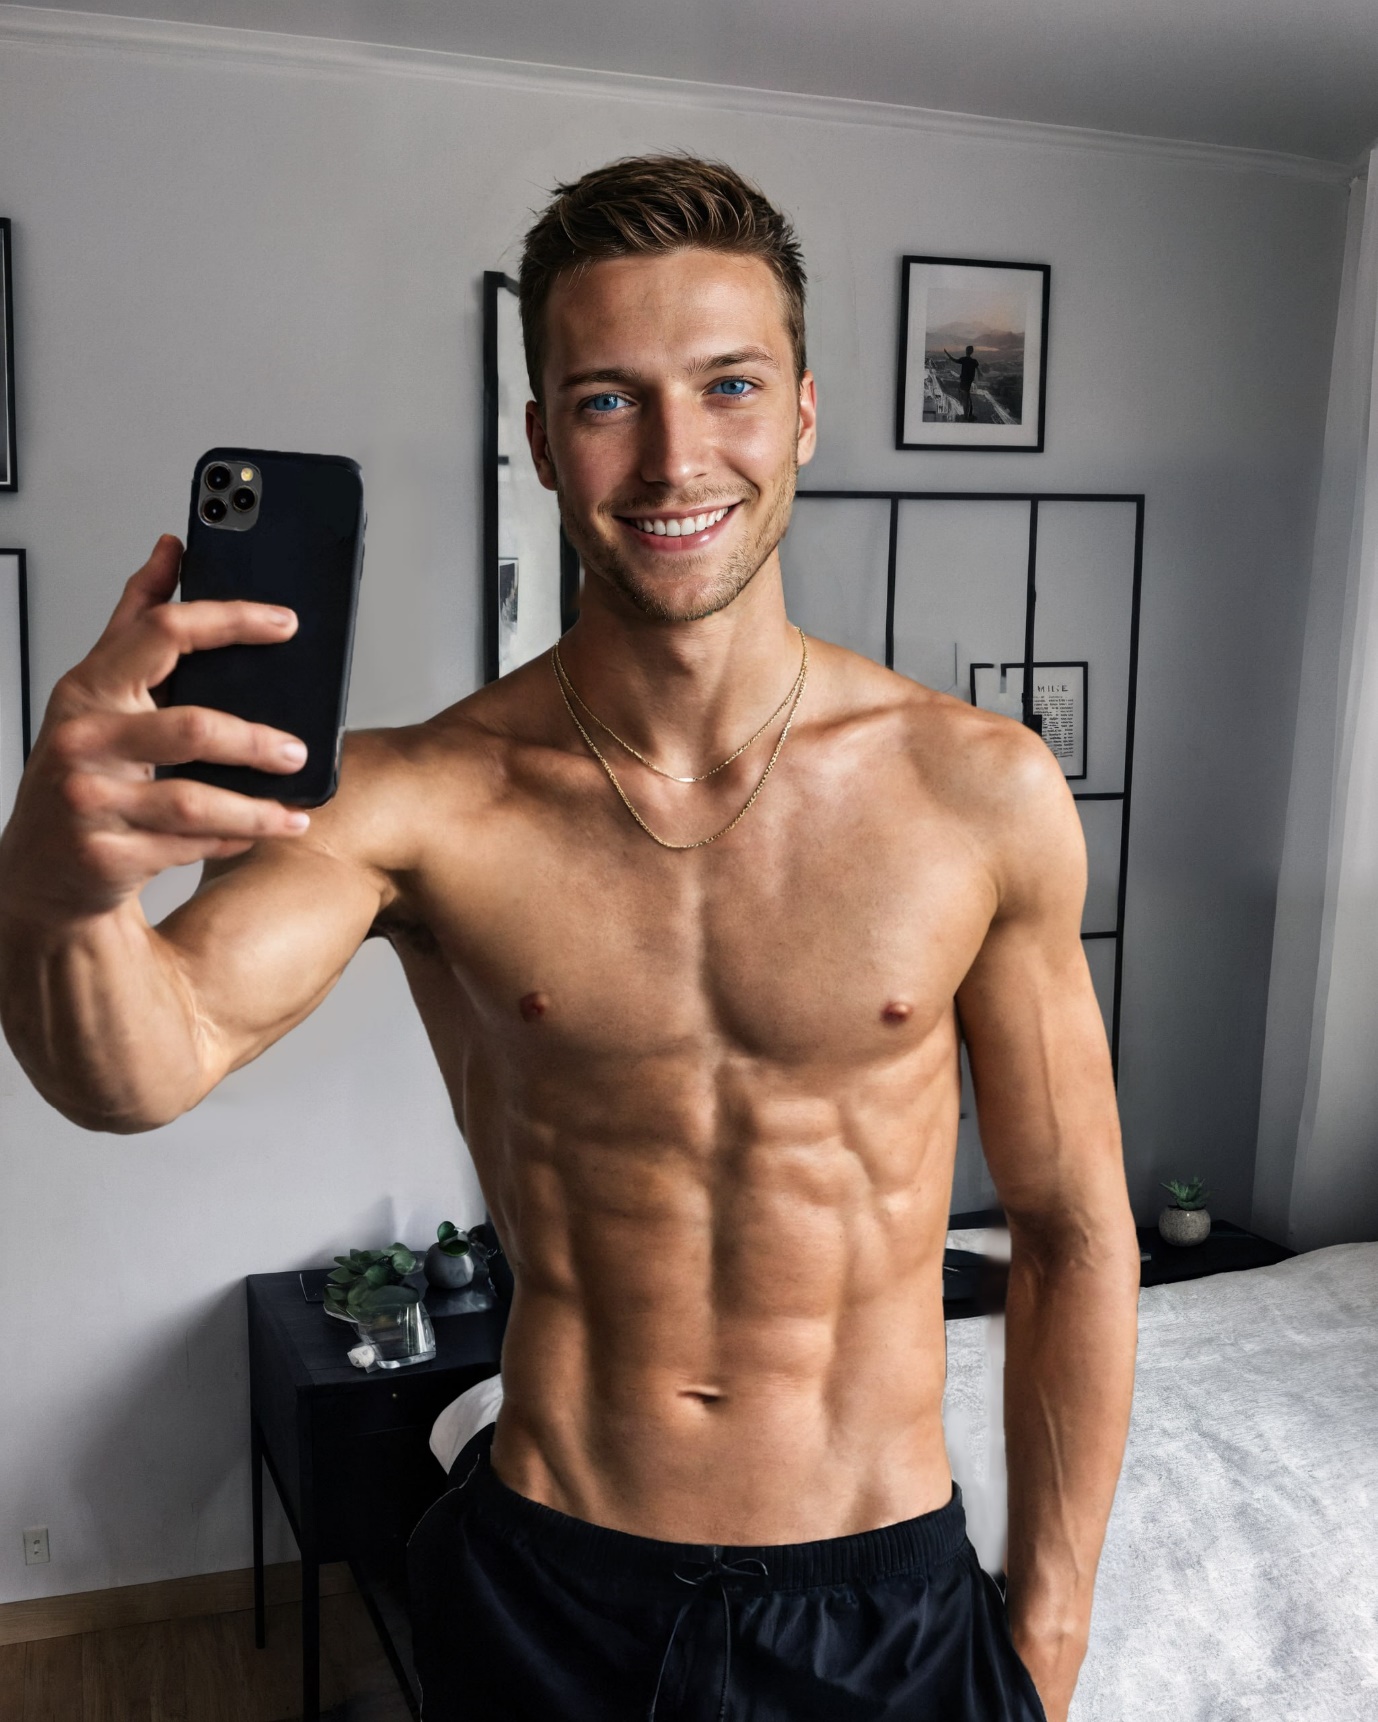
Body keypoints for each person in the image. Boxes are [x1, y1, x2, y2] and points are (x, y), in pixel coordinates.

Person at [0, 156, 1138, 1721]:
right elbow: (136, 1067)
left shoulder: (977, 790)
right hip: (551, 1587)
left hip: (877, 1590)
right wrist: (57, 891)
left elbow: (1073, 1231)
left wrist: (1051, 1630)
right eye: (608, 399)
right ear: (540, 437)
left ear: (803, 410)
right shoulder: (416, 797)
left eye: (728, 384)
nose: (675, 458)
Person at [946, 342, 982, 420]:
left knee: (966, 399)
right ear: (972, 352)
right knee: (967, 398)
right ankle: (968, 415)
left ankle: (966, 416)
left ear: (967, 351)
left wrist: (947, 354)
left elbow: (954, 359)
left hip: (964, 382)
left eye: (967, 350)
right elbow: (978, 369)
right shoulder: (973, 361)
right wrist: (980, 373)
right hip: (967, 382)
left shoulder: (964, 359)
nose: (967, 351)